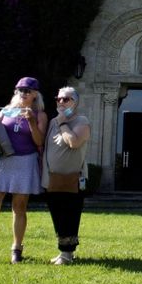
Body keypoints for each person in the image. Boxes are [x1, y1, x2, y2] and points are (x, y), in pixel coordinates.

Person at [0, 77, 47, 266]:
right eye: (20, 90)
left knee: (19, 207)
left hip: (25, 161)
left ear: (35, 94)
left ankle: (16, 250)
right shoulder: (5, 111)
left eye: (28, 91)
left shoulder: (39, 115)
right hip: (2, 161)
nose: (23, 93)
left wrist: (31, 121)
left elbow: (39, 142)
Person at [41, 86, 91, 264]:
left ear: (75, 102)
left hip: (72, 180)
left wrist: (63, 123)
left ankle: (67, 254)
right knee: (57, 215)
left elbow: (74, 142)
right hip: (52, 179)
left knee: (69, 215)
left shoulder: (81, 121)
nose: (61, 102)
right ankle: (64, 251)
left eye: (66, 99)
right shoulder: (53, 121)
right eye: (58, 99)